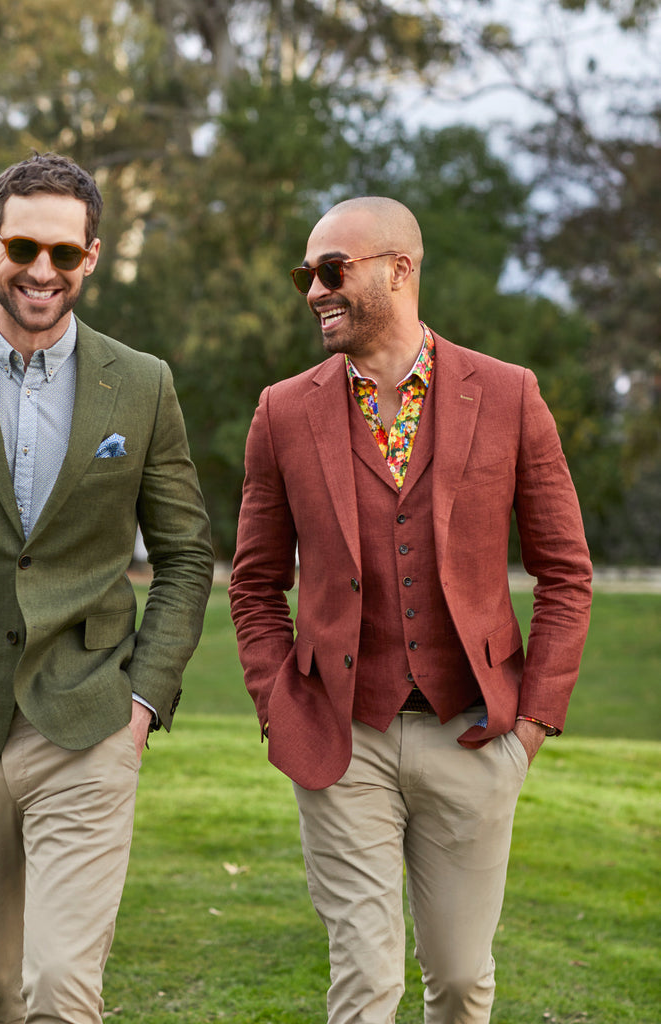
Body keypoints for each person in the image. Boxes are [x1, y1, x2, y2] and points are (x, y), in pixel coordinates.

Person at [0, 152, 214, 1024]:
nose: (42, 271)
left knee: (60, 987)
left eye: (64, 252)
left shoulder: (142, 384)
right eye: (24, 247)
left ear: (90, 257)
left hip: (92, 717)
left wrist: (144, 702)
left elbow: (186, 555)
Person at [228, 196, 592, 1024]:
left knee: (460, 981)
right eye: (306, 274)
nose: (314, 291)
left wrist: (534, 723)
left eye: (332, 270)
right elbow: (253, 584)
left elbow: (566, 573)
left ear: (399, 270)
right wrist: (279, 704)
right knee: (366, 979)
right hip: (341, 735)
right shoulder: (283, 410)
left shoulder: (508, 394)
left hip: (474, 731)